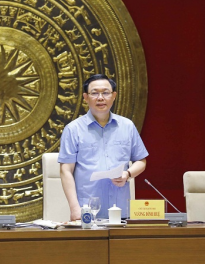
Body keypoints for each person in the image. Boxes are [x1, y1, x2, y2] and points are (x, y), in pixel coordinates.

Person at [58, 74, 149, 221]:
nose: (100, 98)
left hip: (121, 210)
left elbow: (141, 161)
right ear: (85, 97)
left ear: (114, 96)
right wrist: (75, 208)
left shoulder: (127, 126)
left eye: (106, 93)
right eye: (94, 93)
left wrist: (127, 174)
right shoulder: (73, 129)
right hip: (87, 211)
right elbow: (65, 170)